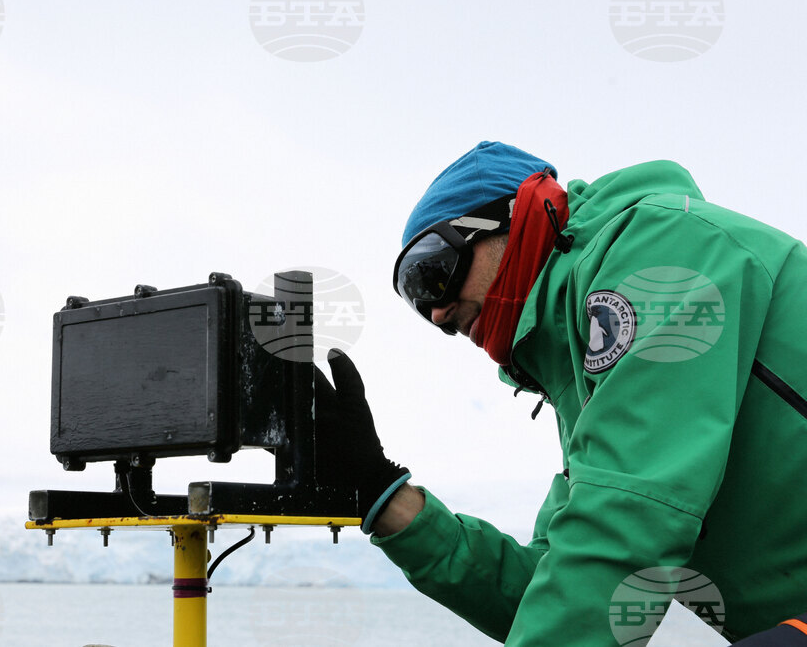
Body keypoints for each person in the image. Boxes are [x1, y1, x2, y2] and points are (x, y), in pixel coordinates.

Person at [314, 141, 807, 645]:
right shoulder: (578, 376)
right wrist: (384, 495)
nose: (436, 313)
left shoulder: (660, 250)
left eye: (433, 269)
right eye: (416, 298)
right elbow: (551, 592)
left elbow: (624, 523)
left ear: (515, 214)